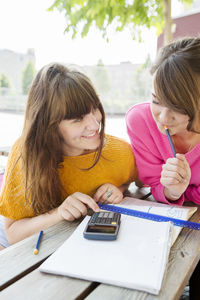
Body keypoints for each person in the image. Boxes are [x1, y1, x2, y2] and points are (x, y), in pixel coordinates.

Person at [0, 63, 137, 249]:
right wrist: (58, 213)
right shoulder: (24, 154)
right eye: (78, 119)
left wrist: (118, 189)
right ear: (49, 125)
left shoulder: (121, 152)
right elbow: (13, 233)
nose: (94, 124)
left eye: (94, 108)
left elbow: (132, 181)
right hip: (23, 244)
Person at [126, 37, 200, 206]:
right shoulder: (140, 121)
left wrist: (187, 193)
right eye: (156, 101)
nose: (164, 118)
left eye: (178, 107)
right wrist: (173, 191)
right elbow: (154, 184)